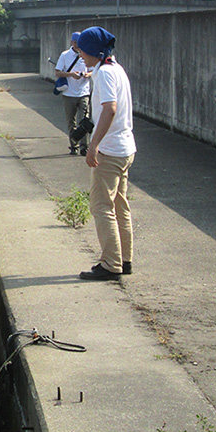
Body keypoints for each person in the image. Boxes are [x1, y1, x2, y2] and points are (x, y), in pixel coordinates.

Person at [75, 26, 136, 281]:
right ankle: (124, 259)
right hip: (125, 148)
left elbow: (109, 109)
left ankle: (110, 265)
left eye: (82, 52)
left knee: (101, 206)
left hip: (110, 151)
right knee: (120, 205)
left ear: (92, 51)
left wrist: (93, 144)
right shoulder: (116, 69)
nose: (81, 56)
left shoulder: (105, 74)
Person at [55, 31, 94, 155]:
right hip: (69, 94)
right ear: (71, 42)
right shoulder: (65, 55)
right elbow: (58, 72)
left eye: (80, 42)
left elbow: (93, 70)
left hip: (84, 92)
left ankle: (84, 147)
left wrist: (87, 75)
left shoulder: (87, 54)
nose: (78, 45)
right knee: (71, 121)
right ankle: (74, 145)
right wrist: (71, 74)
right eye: (76, 42)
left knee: (84, 120)